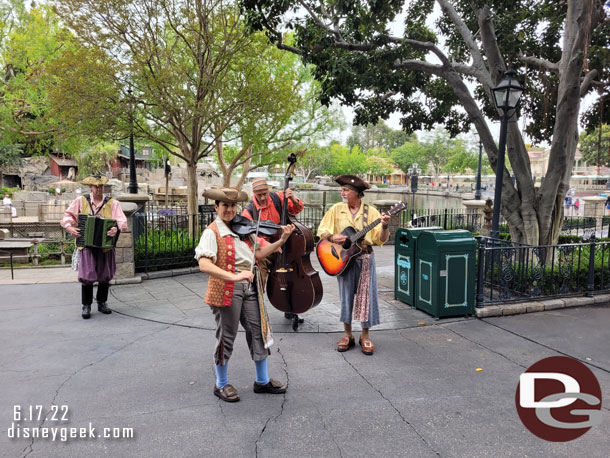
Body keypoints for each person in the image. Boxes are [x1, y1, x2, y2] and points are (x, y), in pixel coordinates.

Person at [196, 187, 295, 402]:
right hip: (226, 288)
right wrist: (233, 277)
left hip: (250, 286)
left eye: (233, 205)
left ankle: (262, 380)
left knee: (257, 331)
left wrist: (281, 240)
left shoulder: (244, 230)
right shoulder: (212, 232)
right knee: (226, 336)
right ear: (216, 207)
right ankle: (221, 384)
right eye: (225, 206)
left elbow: (258, 253)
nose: (230, 210)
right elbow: (204, 264)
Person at [317, 175, 390, 355]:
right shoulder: (336, 210)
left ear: (357, 193)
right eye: (342, 190)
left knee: (367, 297)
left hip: (364, 259)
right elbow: (322, 230)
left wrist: (385, 227)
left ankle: (365, 335)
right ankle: (348, 335)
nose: (342, 193)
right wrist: (332, 237)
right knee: (346, 297)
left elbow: (379, 240)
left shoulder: (371, 212)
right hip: (343, 260)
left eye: (345, 190)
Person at [61, 174, 127, 319]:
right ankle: (86, 305)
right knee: (87, 275)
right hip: (86, 244)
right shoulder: (81, 200)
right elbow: (67, 216)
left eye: (101, 186)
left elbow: (122, 221)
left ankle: (102, 303)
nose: (99, 189)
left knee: (105, 275)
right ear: (91, 187)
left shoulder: (113, 203)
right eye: (96, 186)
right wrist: (70, 228)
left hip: (105, 246)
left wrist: (116, 228)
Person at [242, 177, 305, 324]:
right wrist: (271, 246)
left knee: (290, 277)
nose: (263, 197)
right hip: (264, 249)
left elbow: (297, 209)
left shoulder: (277, 198)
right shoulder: (249, 210)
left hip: (282, 245)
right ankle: (256, 314)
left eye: (265, 193)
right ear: (254, 193)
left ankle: (291, 309)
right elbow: (250, 236)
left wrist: (293, 199)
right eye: (260, 195)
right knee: (258, 281)